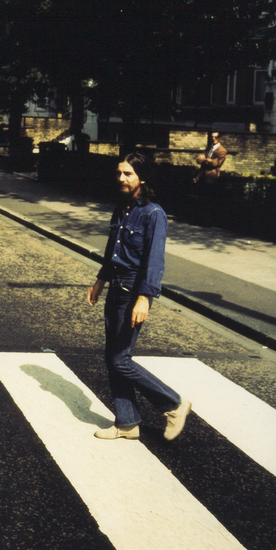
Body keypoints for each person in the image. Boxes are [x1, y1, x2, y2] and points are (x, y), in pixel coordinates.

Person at [86, 151, 191, 441]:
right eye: (119, 172)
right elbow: (113, 251)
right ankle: (127, 422)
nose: (121, 177)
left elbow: (154, 260)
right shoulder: (122, 207)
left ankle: (174, 404)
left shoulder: (153, 214)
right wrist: (99, 281)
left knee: (121, 359)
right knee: (113, 357)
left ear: (142, 178)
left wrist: (144, 297)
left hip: (132, 290)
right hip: (116, 286)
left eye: (128, 173)